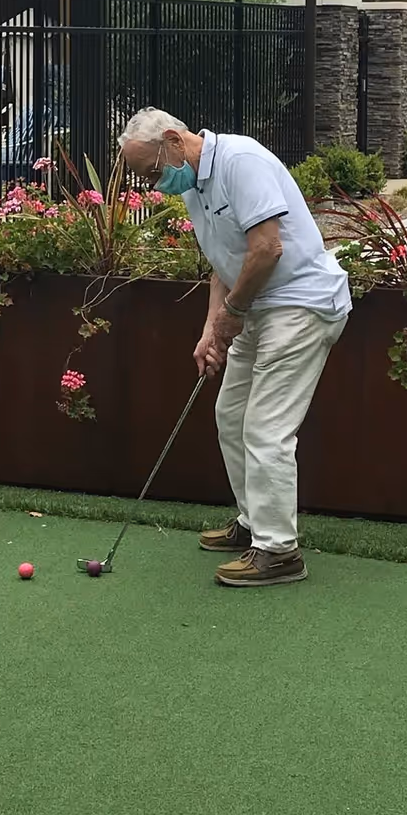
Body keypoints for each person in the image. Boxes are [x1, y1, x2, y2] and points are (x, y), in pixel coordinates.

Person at [119, 108, 350, 588]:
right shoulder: (192, 187)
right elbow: (223, 263)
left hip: (300, 306)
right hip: (255, 307)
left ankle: (279, 552)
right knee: (231, 414)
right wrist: (211, 328)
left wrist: (233, 315)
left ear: (172, 140)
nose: (151, 184)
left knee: (266, 428)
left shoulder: (241, 161)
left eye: (150, 171)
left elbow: (268, 248)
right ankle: (253, 522)